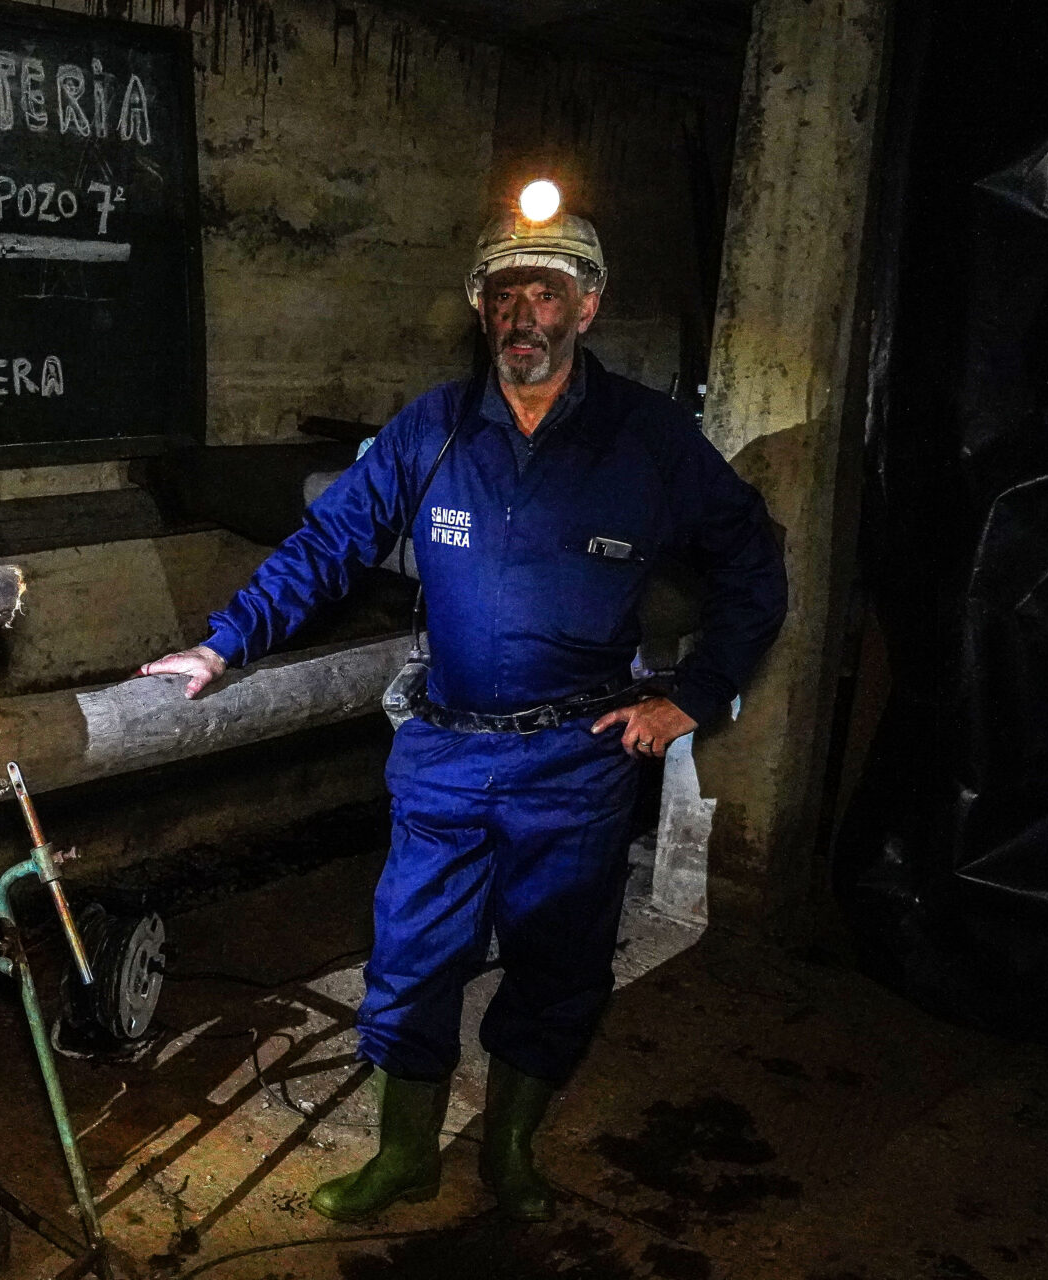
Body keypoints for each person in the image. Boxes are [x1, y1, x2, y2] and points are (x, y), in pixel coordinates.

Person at [139, 194, 787, 1223]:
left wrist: (693, 697)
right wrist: (225, 641)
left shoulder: (648, 439)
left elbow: (754, 561)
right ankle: (405, 1156)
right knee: (411, 958)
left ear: (587, 306)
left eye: (547, 293)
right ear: (481, 308)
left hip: (578, 758)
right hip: (445, 750)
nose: (524, 314)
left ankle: (511, 1151)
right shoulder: (433, 428)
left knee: (558, 963)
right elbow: (328, 544)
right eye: (504, 294)